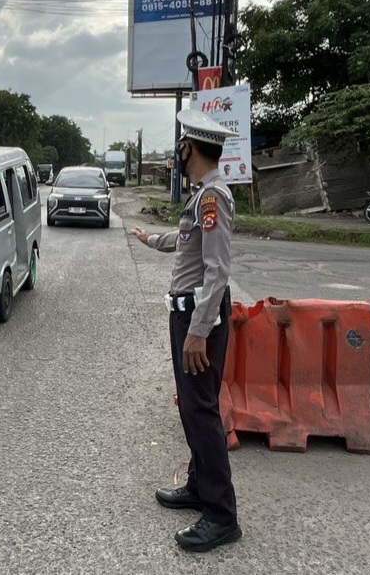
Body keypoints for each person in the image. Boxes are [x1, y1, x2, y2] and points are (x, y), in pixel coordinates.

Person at [130, 108, 241, 553]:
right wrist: (149, 239)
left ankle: (221, 515)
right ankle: (199, 486)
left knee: (201, 412)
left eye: (180, 146)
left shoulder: (213, 198)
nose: (177, 152)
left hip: (200, 319)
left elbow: (217, 271)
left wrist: (198, 331)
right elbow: (185, 241)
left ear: (188, 147)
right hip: (189, 315)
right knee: (192, 409)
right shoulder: (201, 197)